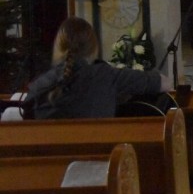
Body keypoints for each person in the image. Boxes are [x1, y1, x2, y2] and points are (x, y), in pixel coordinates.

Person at [23, 17, 170, 119]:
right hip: (102, 159)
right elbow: (164, 83)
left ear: (58, 47)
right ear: (94, 47)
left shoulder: (38, 87)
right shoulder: (106, 75)